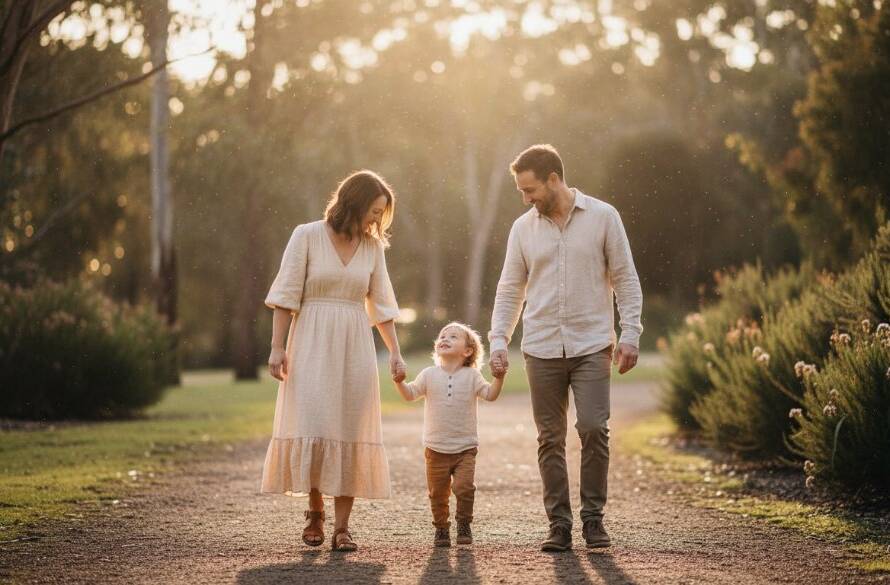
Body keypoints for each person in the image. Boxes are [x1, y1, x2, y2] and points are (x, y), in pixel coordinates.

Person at [488, 144, 643, 552]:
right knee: (549, 439)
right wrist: (499, 338)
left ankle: (593, 520)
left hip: (592, 343)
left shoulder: (604, 217)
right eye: (521, 191)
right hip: (540, 347)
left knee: (593, 427)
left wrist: (631, 333)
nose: (526, 199)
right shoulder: (523, 228)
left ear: (554, 179)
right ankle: (559, 524)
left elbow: (625, 278)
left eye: (531, 189)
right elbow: (510, 288)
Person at [263, 169, 407, 552]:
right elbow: (286, 295)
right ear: (355, 202)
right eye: (374, 211)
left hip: (354, 343)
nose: (377, 220)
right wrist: (277, 347)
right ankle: (315, 512)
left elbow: (382, 304)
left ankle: (343, 526)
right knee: (314, 421)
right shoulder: (306, 236)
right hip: (310, 339)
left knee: (350, 426)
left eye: (381, 214)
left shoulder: (372, 248)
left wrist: (394, 352)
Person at [392, 322, 504, 547]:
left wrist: (499, 377)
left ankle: (464, 524)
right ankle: (441, 529)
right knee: (437, 493)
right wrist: (399, 381)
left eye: (453, 336)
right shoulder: (428, 374)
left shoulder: (472, 376)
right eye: (442, 335)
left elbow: (490, 395)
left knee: (464, 488)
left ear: (468, 351)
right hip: (435, 448)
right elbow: (410, 394)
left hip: (465, 448)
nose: (444, 338)